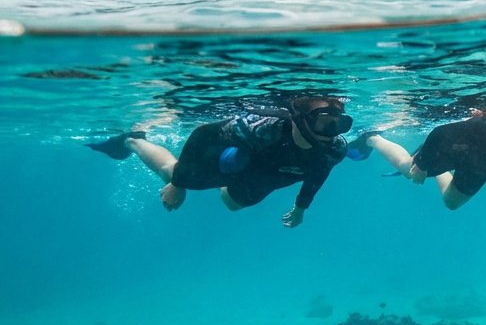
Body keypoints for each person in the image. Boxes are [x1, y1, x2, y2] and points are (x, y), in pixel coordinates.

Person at [85, 96, 352, 227]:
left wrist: (300, 208)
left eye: (339, 124)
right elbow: (203, 133)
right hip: (231, 156)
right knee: (173, 174)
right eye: (324, 122)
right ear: (299, 120)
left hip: (267, 173)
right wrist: (179, 184)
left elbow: (318, 175)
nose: (331, 133)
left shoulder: (336, 149)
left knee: (232, 205)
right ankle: (132, 140)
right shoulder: (262, 128)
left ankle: (225, 180)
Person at [348, 97, 486, 210]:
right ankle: (373, 138)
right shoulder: (485, 124)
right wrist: (422, 164)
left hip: (480, 168)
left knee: (452, 203)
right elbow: (439, 132)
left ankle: (438, 172)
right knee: (410, 172)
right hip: (451, 152)